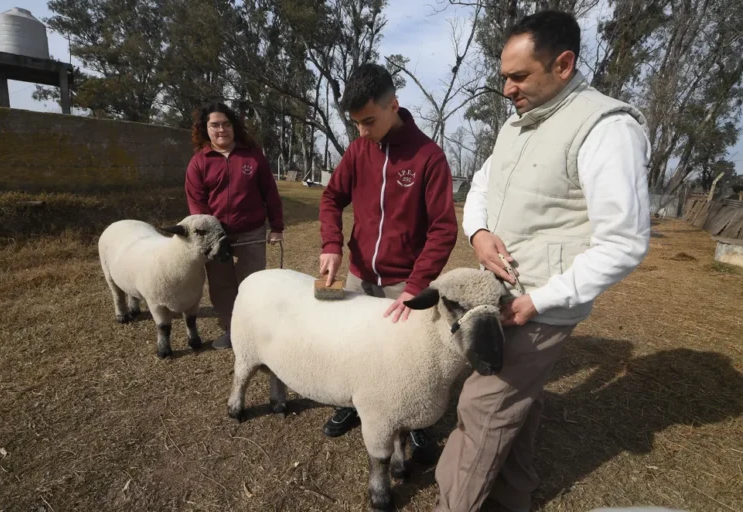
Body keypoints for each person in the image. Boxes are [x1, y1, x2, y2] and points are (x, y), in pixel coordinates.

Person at [434, 10, 651, 512]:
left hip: (540, 304)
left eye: (518, 76)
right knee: (518, 403)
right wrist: (479, 231)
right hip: (502, 292)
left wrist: (540, 300)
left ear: (563, 64)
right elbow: (483, 183)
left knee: (481, 406)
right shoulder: (519, 122)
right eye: (504, 76)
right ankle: (512, 497)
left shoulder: (606, 128)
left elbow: (624, 242)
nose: (506, 89)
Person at [318, 63, 458, 460]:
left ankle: (416, 423)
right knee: (351, 347)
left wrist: (416, 286)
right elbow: (331, 198)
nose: (362, 132)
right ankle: (350, 402)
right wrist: (332, 244)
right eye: (355, 124)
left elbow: (443, 229)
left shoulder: (429, 157)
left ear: (393, 106)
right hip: (359, 276)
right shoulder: (357, 150)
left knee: (409, 362)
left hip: (405, 283)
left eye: (368, 121)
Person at [185, 102, 284, 349]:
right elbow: (197, 205)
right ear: (205, 128)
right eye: (215, 125)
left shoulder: (253, 156)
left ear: (234, 126)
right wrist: (213, 237)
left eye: (226, 124)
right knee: (222, 285)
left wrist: (277, 227)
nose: (221, 129)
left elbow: (270, 193)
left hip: (252, 232)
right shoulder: (199, 162)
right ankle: (232, 330)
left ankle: (255, 330)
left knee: (253, 283)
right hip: (216, 239)